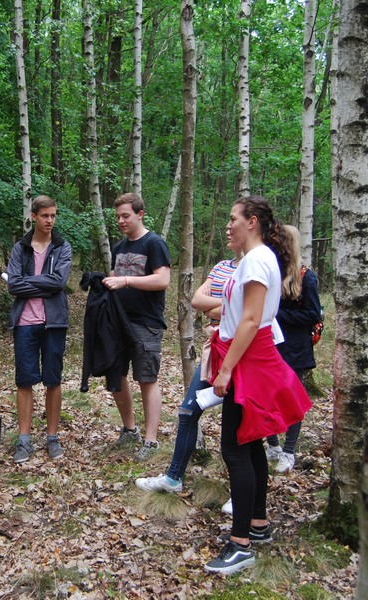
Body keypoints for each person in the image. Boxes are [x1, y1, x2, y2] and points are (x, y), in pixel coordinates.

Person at [204, 196, 311, 575]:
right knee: (248, 447)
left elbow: (250, 320)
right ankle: (258, 525)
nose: (228, 225)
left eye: (233, 219)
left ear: (252, 222)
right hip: (248, 355)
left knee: (234, 449)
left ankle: (240, 544)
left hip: (248, 359)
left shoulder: (256, 260)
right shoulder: (259, 259)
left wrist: (226, 369)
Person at [135, 235, 240, 492]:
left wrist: (218, 307)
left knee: (239, 426)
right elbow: (197, 301)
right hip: (213, 351)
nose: (227, 230)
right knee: (188, 411)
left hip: (241, 353)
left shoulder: (255, 267)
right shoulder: (221, 267)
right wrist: (229, 304)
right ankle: (173, 478)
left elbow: (246, 310)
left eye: (233, 222)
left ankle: (241, 494)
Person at [102, 193, 171, 461]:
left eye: (125, 216)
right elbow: (115, 279)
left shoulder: (154, 244)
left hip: (146, 322)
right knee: (116, 376)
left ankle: (151, 440)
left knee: (146, 378)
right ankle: (129, 429)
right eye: (118, 216)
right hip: (118, 322)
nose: (120, 221)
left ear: (140, 214)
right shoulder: (119, 248)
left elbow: (163, 280)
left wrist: (127, 281)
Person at [6, 195, 73, 463]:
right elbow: (13, 285)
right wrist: (42, 283)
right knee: (24, 380)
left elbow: (59, 282)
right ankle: (24, 440)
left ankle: (52, 438)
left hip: (54, 322)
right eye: (45, 216)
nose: (50, 221)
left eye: (53, 216)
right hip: (25, 323)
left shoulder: (62, 247)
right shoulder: (20, 248)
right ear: (34, 216)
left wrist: (28, 281)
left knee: (53, 380)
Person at [264, 225, 321, 473]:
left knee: (291, 398)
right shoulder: (270, 272)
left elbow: (312, 314)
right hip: (270, 345)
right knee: (266, 396)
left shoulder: (306, 277)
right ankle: (272, 444)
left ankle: (289, 451)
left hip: (296, 349)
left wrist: (279, 315)